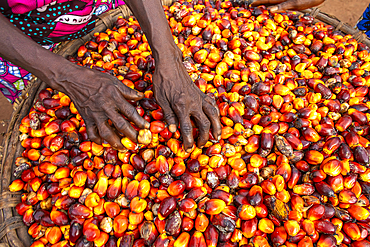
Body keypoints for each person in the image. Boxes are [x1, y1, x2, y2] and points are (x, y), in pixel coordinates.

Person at [0, 0, 340, 152]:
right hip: (23, 43)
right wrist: (65, 77)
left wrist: (169, 58)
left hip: (96, 11)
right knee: (38, 108)